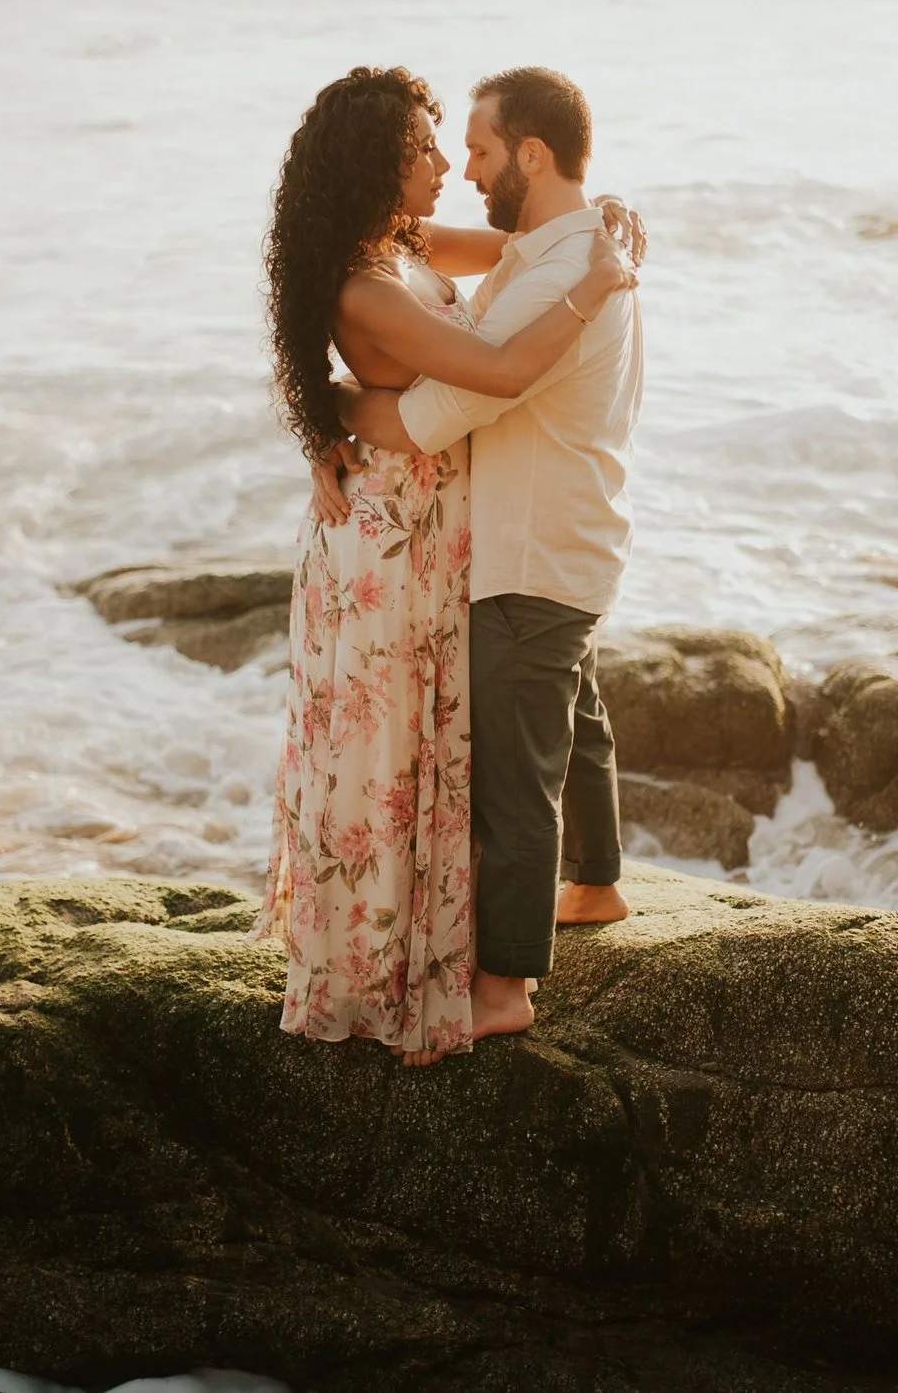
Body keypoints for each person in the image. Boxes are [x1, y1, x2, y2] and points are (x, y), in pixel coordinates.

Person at [256, 66, 637, 1067]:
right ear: (378, 165)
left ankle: (472, 927)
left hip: (439, 527)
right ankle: (381, 953)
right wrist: (594, 284)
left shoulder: (405, 244)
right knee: (389, 748)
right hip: (388, 536)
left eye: (454, 145)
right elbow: (498, 373)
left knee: (442, 741)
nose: (446, 166)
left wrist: (600, 219)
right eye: (425, 149)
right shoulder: (362, 283)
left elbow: (524, 240)